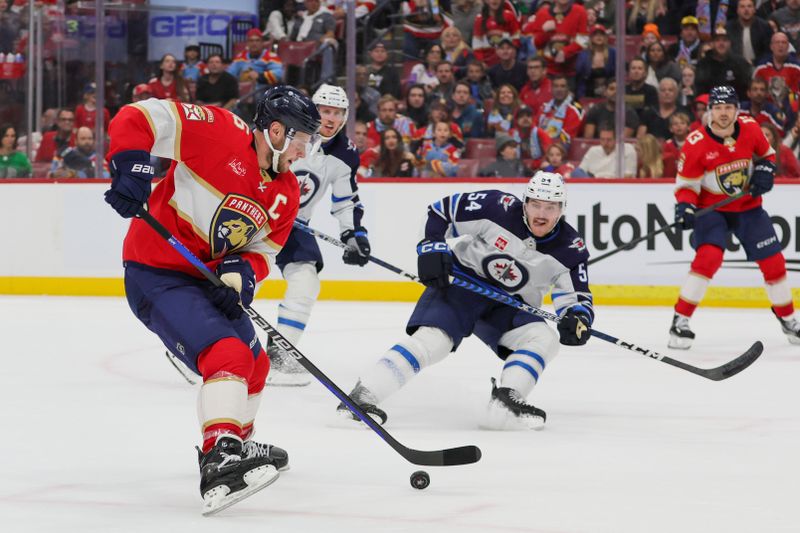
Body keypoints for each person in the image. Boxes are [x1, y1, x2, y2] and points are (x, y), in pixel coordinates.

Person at [102, 85, 321, 514]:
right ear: (276, 131)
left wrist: (242, 274)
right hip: (157, 272)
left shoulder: (287, 192)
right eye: (300, 140)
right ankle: (219, 456)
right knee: (228, 354)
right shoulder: (221, 132)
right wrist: (130, 165)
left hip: (204, 280)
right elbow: (140, 116)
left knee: (256, 363)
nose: (303, 151)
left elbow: (262, 252)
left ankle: (239, 442)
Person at [335, 172, 594, 430]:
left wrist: (578, 317)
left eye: (550, 207)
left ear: (562, 209)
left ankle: (507, 400)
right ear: (524, 202)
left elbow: (577, 298)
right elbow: (440, 212)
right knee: (434, 341)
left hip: (509, 305)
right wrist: (431, 246)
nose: (541, 213)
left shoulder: (571, 248)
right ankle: (363, 395)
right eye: (535, 204)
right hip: (462, 284)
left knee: (544, 339)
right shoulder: (496, 207)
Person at [669, 85, 800, 349]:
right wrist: (685, 207)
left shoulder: (751, 128)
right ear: (710, 111)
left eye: (728, 107)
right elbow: (686, 186)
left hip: (748, 207)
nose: (724, 113)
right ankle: (679, 321)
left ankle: (788, 319)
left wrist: (764, 170)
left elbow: (767, 155)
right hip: (712, 210)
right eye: (718, 108)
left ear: (736, 110)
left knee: (773, 262)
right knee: (708, 258)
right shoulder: (696, 144)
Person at [267, 84, 370, 385]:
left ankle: (280, 355)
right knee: (232, 279)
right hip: (256, 213)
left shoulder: (345, 154)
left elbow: (345, 200)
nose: (330, 118)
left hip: (293, 224)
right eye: (325, 110)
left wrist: (354, 234)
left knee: (306, 280)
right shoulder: (286, 131)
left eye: (337, 113)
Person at [694, 28, 753, 100]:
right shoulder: (703, 64)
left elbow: (746, 90)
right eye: (717, 40)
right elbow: (700, 92)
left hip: (735, 106)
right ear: (711, 44)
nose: (721, 43)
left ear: (730, 43)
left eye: (725, 40)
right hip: (710, 105)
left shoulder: (740, 63)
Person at [472, 0, 520, 67]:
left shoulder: (509, 16)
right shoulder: (479, 19)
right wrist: (481, 62)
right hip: (487, 61)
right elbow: (477, 44)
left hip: (507, 60)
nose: (495, 1)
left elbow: (516, 39)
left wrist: (502, 34)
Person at [574, 24, 616, 99]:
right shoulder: (583, 55)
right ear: (591, 38)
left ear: (605, 37)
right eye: (595, 34)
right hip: (587, 93)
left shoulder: (613, 53)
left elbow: (617, 75)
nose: (599, 37)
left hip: (609, 93)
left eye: (601, 34)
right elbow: (578, 76)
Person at [726, 0, 774, 65]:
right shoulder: (729, 27)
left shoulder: (764, 27)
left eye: (749, 6)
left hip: (759, 65)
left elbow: (769, 52)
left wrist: (754, 62)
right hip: (735, 66)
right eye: (742, 7)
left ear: (754, 10)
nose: (746, 9)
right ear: (737, 10)